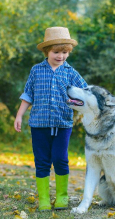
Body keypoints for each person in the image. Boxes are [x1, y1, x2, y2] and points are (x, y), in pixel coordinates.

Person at [14, 27, 87, 211]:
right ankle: (44, 199)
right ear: (47, 51)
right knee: (42, 160)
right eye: (56, 52)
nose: (60, 56)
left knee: (60, 158)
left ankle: (62, 196)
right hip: (39, 125)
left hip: (63, 125)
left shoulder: (70, 72)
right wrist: (19, 115)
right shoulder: (36, 70)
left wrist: (74, 102)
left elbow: (85, 93)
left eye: (64, 52)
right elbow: (28, 95)